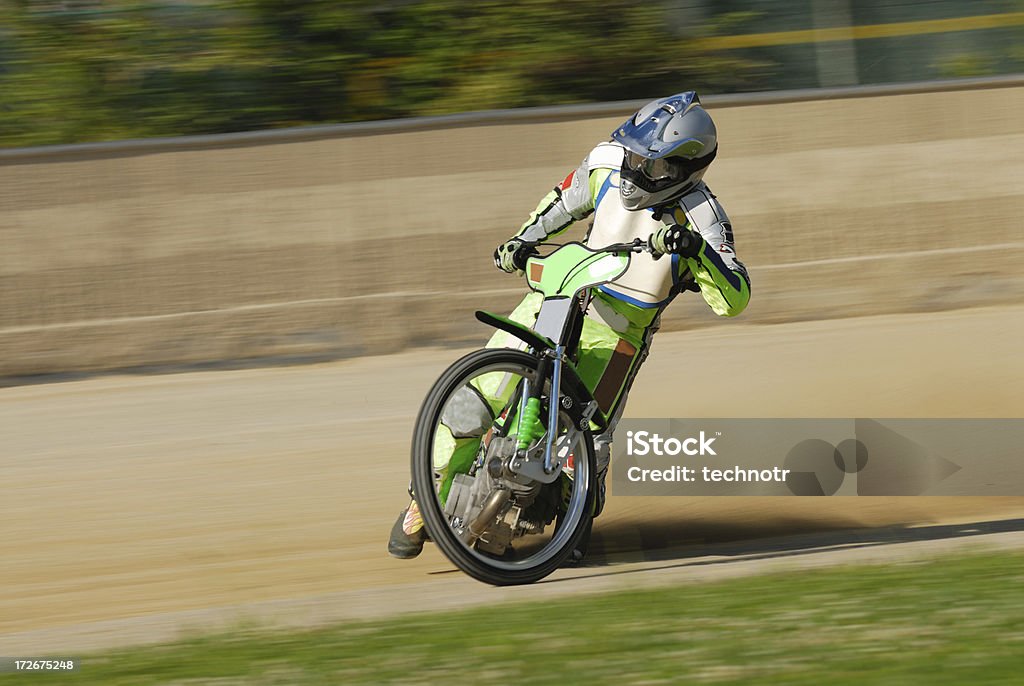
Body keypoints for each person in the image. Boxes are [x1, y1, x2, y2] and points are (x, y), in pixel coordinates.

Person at [388, 91, 750, 559]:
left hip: (619, 334)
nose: (634, 170)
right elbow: (564, 201)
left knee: (588, 443)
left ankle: (572, 526)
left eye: (651, 165)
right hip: (554, 297)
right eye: (635, 154)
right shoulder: (607, 160)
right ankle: (425, 501)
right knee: (467, 406)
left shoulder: (703, 216)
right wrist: (522, 238)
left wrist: (696, 251)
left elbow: (735, 297)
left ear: (685, 167)